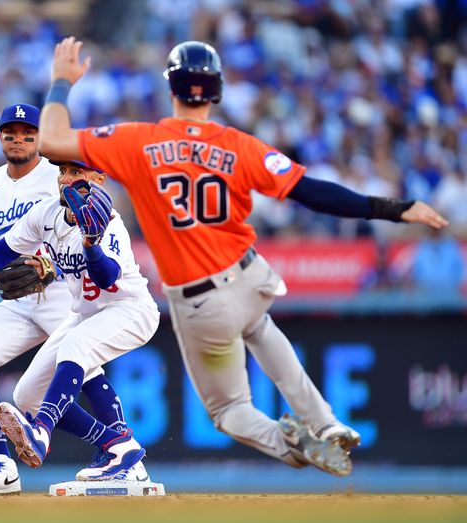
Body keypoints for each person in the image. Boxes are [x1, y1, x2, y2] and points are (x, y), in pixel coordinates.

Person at [37, 37, 450, 476]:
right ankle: (325, 423)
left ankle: (288, 441)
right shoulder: (239, 146)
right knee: (260, 326)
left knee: (229, 410)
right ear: (216, 89)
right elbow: (313, 193)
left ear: (172, 87)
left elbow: (52, 140)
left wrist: (62, 82)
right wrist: (394, 208)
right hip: (250, 276)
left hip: (200, 300)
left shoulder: (137, 141)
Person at [0, 104, 147, 494]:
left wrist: (85, 249)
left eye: (76, 173)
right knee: (20, 391)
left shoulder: (102, 214)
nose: (67, 179)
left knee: (78, 355)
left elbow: (106, 277)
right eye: (65, 172)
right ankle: (116, 448)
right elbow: (1, 249)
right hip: (66, 307)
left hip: (111, 306)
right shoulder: (38, 206)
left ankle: (54, 435)